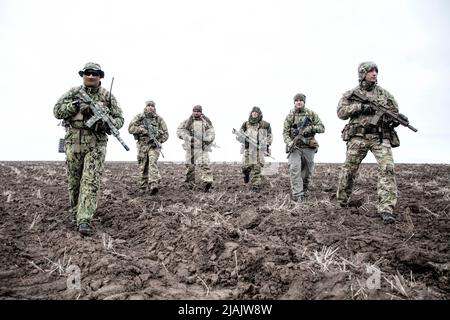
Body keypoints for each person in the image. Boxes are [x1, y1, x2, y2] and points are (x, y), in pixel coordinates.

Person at [54, 62, 124, 235]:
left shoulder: (107, 97)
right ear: (83, 75)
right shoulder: (73, 93)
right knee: (74, 180)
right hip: (74, 141)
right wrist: (75, 106)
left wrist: (106, 123)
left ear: (100, 76)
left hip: (96, 143)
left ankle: (84, 219)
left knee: (90, 181)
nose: (91, 76)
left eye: (95, 73)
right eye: (88, 73)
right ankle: (75, 212)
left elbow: (120, 119)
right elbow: (57, 111)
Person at [336, 61, 406, 224]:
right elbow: (340, 112)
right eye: (371, 71)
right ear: (362, 74)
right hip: (358, 137)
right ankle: (341, 201)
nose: (374, 74)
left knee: (387, 169)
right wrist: (360, 107)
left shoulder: (385, 95)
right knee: (349, 170)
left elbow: (393, 113)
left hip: (380, 137)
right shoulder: (351, 94)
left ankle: (386, 209)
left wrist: (398, 119)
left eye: (376, 71)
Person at [283, 93, 325, 202]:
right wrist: (289, 142)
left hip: (308, 147)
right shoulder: (290, 116)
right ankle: (298, 195)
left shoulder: (311, 114)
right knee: (294, 169)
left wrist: (310, 128)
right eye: (296, 100)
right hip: (295, 147)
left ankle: (304, 189)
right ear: (294, 102)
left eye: (301, 100)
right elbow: (285, 133)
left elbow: (322, 128)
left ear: (304, 102)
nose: (298, 102)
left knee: (306, 173)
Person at [128, 100, 169, 194]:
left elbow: (166, 134)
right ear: (145, 107)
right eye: (148, 105)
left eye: (152, 106)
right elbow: (130, 129)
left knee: (152, 161)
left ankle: (154, 184)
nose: (150, 107)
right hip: (142, 146)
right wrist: (142, 130)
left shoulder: (159, 119)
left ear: (155, 108)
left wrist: (159, 140)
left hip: (154, 146)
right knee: (143, 166)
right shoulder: (139, 117)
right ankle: (143, 187)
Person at [176, 105, 215, 191]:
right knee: (190, 167)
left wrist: (206, 140)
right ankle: (190, 186)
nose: (196, 112)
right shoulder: (187, 122)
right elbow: (179, 132)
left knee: (205, 164)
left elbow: (212, 134)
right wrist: (189, 138)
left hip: (202, 148)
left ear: (201, 112)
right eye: (195, 111)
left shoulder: (206, 122)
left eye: (198, 111)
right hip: (190, 148)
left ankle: (207, 183)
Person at [236, 106, 272, 191]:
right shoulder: (246, 124)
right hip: (248, 148)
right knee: (245, 166)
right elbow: (239, 135)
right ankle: (246, 174)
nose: (254, 113)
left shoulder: (265, 124)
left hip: (259, 149)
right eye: (253, 112)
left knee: (257, 167)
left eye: (256, 112)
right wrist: (242, 138)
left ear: (259, 114)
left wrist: (266, 144)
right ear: (251, 113)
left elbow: (269, 136)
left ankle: (255, 186)